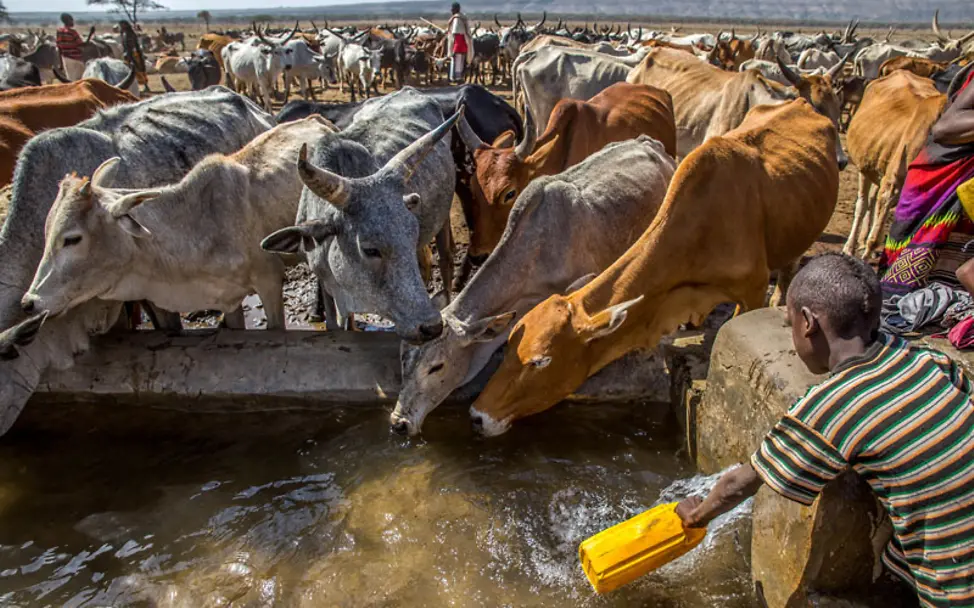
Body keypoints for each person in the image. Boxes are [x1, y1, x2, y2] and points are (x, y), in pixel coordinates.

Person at [677, 253, 974, 607]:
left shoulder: (833, 404)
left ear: (807, 323)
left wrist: (697, 514)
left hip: (957, 589)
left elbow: (741, 482)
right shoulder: (925, 360)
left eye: (789, 324)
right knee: (898, 558)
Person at [118, 20, 150, 94]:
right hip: (132, 54)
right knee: (137, 70)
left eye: (121, 25)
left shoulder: (127, 34)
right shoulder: (129, 33)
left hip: (131, 54)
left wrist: (130, 56)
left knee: (136, 70)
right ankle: (143, 86)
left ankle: (144, 87)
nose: (120, 27)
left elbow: (129, 46)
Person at [446, 2, 473, 83]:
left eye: (452, 9)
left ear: (455, 9)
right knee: (460, 63)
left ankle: (457, 79)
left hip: (459, 46)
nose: (451, 10)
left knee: (458, 63)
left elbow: (457, 34)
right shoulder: (462, 18)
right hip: (463, 45)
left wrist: (454, 49)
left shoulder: (457, 19)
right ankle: (459, 78)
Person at [56, 13, 85, 81]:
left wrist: (61, 63)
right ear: (68, 21)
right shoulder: (73, 32)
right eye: (71, 20)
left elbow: (59, 47)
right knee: (82, 79)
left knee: (71, 79)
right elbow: (80, 45)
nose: (73, 22)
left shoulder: (59, 32)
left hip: (65, 59)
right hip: (77, 59)